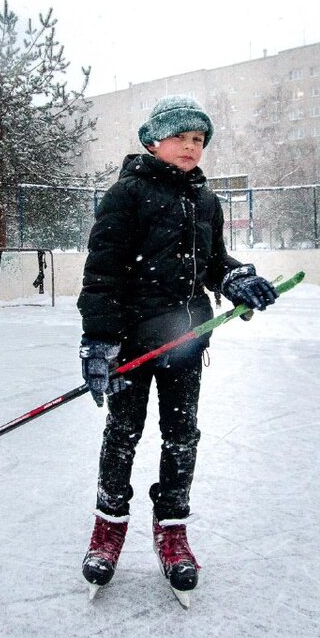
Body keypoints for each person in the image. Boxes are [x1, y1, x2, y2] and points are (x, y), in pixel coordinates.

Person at [77, 95, 279, 600]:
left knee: (181, 436)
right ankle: (108, 528)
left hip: (186, 341)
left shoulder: (205, 200)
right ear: (153, 141)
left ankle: (172, 532)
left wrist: (236, 279)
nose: (191, 147)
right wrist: (99, 340)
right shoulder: (126, 195)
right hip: (131, 343)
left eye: (199, 140)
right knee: (122, 434)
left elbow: (213, 262)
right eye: (181, 138)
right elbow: (101, 273)